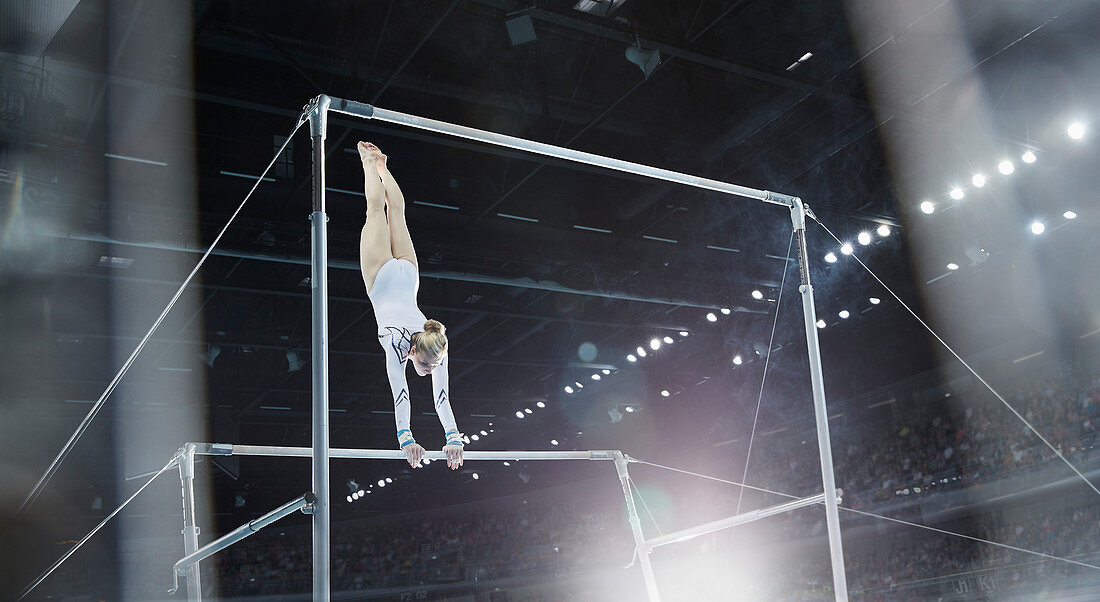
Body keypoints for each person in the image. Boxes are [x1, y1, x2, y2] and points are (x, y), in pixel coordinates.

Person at [357, 141, 464, 470]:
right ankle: (371, 164)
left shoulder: (437, 348)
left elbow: (441, 398)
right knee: (377, 212)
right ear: (415, 351)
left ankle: (382, 166)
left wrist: (454, 439)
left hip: (408, 276)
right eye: (430, 366)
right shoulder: (396, 343)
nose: (431, 370)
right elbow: (401, 394)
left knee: (395, 213)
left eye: (433, 367)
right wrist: (406, 437)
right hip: (382, 277)